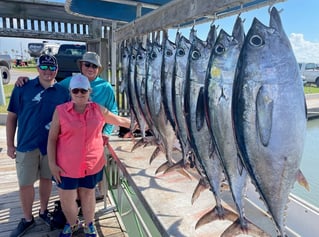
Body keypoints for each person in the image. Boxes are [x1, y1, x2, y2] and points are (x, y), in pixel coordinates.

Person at [47, 74, 131, 237]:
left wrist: (146, 122)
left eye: (83, 90)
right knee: (67, 198)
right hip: (66, 165)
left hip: (92, 164)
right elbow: (51, 139)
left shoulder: (98, 109)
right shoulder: (60, 111)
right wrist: (52, 164)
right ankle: (72, 224)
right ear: (70, 92)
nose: (79, 94)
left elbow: (119, 120)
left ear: (89, 91)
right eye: (75, 90)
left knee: (88, 194)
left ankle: (89, 223)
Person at [6, 55, 70, 237]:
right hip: (26, 145)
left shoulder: (62, 92)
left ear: (56, 70)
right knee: (25, 183)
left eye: (52, 67)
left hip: (51, 147)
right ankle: (27, 219)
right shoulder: (22, 88)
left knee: (46, 180)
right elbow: (11, 117)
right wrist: (10, 145)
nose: (48, 71)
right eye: (44, 67)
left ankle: (43, 211)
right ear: (38, 68)